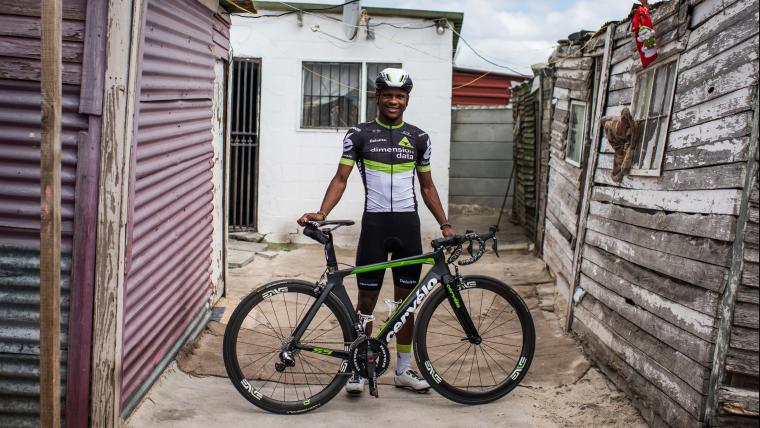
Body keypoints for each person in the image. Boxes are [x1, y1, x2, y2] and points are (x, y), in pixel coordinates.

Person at [297, 68, 455, 395]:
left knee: (405, 302)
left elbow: (427, 186)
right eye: (388, 95)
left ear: (407, 100)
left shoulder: (419, 137)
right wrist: (323, 212)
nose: (393, 100)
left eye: (400, 96)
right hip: (375, 225)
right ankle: (359, 368)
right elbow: (340, 178)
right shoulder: (359, 134)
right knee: (366, 300)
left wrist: (444, 223)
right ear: (378, 97)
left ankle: (403, 370)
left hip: (407, 227)